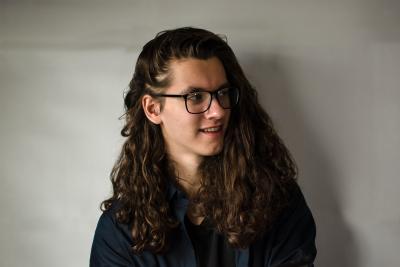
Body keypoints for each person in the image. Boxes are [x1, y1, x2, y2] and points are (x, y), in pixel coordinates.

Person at [90, 27, 317, 267]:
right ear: (153, 109)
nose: (218, 111)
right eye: (195, 96)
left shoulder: (276, 198)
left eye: (223, 93)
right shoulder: (120, 231)